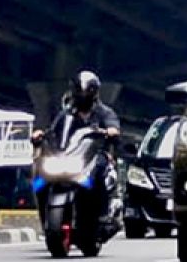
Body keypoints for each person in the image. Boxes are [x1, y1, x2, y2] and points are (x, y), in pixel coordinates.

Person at [31, 71, 122, 232]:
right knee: (39, 182)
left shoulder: (103, 112)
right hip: (69, 157)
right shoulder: (66, 114)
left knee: (99, 173)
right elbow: (53, 131)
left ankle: (102, 215)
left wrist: (110, 131)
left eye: (86, 90)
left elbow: (113, 127)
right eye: (79, 90)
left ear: (94, 92)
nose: (82, 94)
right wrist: (41, 134)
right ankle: (45, 218)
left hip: (95, 155)